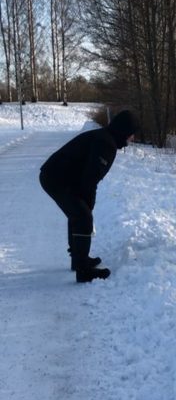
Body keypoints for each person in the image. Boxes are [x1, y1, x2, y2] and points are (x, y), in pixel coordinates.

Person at [39, 110, 139, 283]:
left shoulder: (105, 138)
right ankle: (83, 270)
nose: (133, 138)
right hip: (56, 178)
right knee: (82, 216)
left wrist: (86, 204)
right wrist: (87, 208)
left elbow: (88, 178)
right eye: (131, 134)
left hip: (57, 176)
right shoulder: (106, 144)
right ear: (124, 131)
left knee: (78, 213)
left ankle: (78, 259)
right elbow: (89, 179)